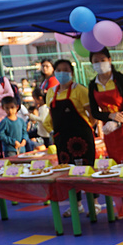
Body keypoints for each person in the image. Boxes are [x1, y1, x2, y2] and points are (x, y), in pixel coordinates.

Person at [46, 59, 100, 216]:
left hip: (81, 139)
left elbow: (93, 115)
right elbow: (51, 114)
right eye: (59, 70)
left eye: (65, 70)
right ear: (55, 72)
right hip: (62, 138)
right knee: (68, 171)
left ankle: (95, 203)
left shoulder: (80, 90)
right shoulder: (51, 92)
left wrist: (87, 128)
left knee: (87, 169)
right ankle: (76, 204)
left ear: (71, 73)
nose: (62, 73)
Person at [88, 47, 123, 165]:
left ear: (109, 60)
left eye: (102, 60)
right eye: (96, 61)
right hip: (109, 129)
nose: (100, 64)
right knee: (116, 162)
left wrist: (118, 121)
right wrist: (110, 117)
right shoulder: (93, 85)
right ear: (92, 64)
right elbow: (94, 112)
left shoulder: (121, 79)